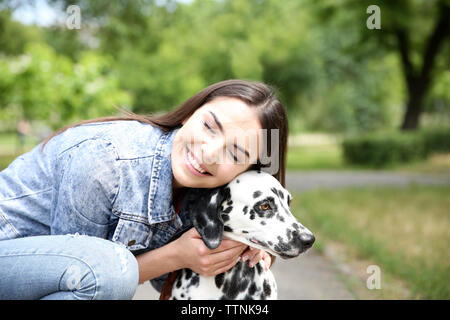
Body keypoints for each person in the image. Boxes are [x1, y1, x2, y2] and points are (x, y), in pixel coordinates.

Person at [0, 79, 288, 300]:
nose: (209, 153)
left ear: (247, 172)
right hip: (8, 249)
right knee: (106, 269)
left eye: (235, 154)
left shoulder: (209, 194)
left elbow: (165, 281)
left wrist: (245, 248)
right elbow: (86, 274)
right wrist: (177, 255)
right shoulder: (104, 162)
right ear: (191, 113)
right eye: (210, 127)